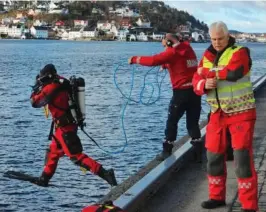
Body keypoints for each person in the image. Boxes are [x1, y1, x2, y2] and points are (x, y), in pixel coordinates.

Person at [192, 21, 258, 212]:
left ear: (228, 36)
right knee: (213, 156)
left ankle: (249, 205)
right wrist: (203, 85)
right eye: (213, 39)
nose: (217, 42)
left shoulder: (240, 51)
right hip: (217, 114)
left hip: (241, 113)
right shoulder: (207, 55)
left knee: (242, 158)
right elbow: (196, 80)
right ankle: (216, 197)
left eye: (220, 38)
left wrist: (206, 73)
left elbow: (235, 72)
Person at [30, 64, 118, 187]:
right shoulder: (62, 81)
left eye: (43, 77)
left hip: (64, 128)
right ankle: (44, 178)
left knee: (76, 156)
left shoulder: (50, 87)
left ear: (48, 76)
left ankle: (105, 173)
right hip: (67, 125)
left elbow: (35, 102)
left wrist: (35, 89)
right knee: (53, 152)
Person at [128, 33, 202, 160]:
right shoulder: (189, 49)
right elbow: (182, 62)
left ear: (169, 42)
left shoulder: (172, 52)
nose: (163, 47)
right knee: (192, 122)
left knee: (172, 121)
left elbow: (153, 60)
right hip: (195, 92)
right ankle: (198, 152)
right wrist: (166, 64)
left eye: (164, 43)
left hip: (181, 93)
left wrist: (135, 59)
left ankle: (166, 151)